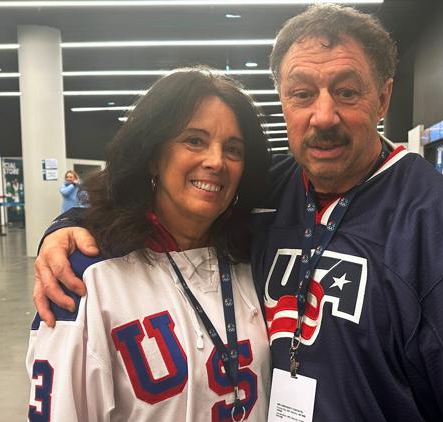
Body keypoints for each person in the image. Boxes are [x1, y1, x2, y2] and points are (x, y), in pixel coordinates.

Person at [32, 5, 443, 421]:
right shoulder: (261, 193)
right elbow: (165, 206)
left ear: (384, 96)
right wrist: (69, 227)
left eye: (346, 91)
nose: (323, 116)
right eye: (303, 94)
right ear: (283, 101)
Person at [26, 68, 272, 421]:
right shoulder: (86, 277)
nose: (216, 161)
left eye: (233, 149)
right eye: (194, 140)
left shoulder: (253, 258)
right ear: (153, 155)